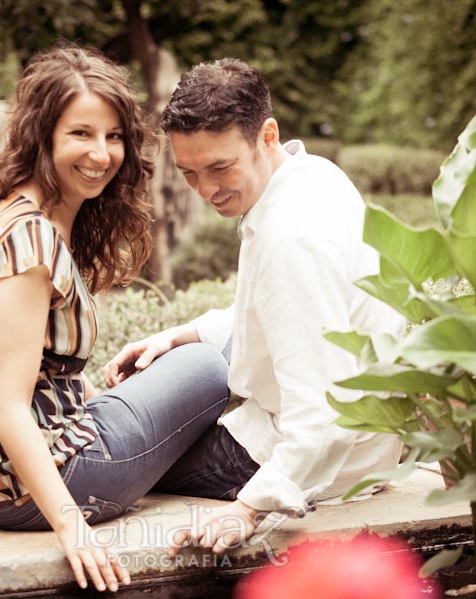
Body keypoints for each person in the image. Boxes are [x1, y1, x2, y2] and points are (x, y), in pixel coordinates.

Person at [0, 45, 231, 593]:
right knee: (210, 364)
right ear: (42, 137)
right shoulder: (31, 243)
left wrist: (79, 389)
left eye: (113, 136)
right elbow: (7, 404)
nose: (102, 153)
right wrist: (74, 529)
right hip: (45, 483)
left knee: (171, 365)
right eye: (81, 134)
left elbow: (1, 360)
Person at [103, 58, 407, 555]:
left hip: (310, 457)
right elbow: (289, 311)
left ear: (267, 136)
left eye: (220, 168)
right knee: (166, 388)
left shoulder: (292, 239)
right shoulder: (311, 174)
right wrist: (181, 334)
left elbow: (324, 410)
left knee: (117, 459)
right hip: (358, 440)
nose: (206, 190)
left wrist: (249, 507)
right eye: (190, 173)